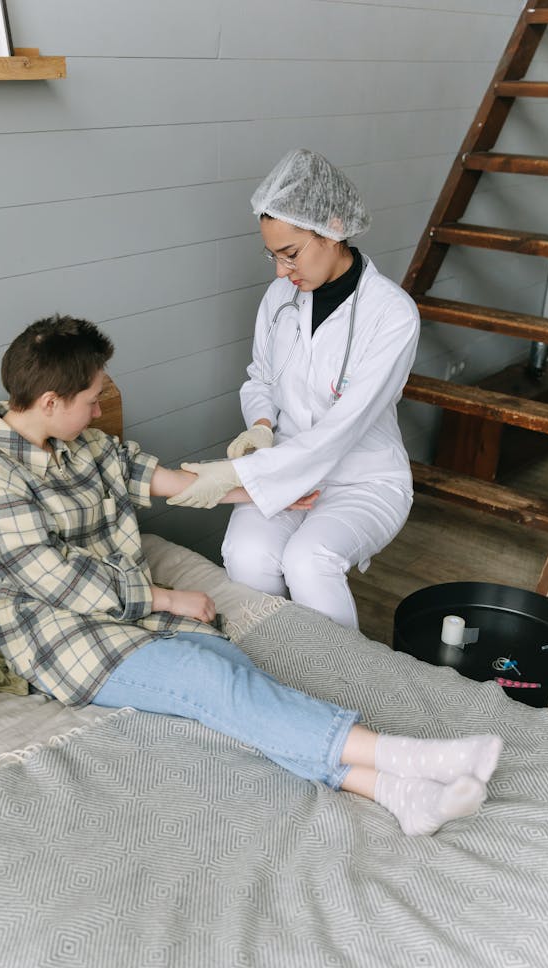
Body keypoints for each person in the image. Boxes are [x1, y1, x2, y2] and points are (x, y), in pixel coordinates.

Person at [0, 314, 502, 837]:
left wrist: (267, 494)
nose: (99, 413)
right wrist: (168, 599)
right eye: (92, 401)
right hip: (62, 635)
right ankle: (408, 756)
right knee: (210, 682)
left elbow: (167, 480)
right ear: (51, 401)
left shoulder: (80, 443)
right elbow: (56, 581)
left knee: (239, 676)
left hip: (127, 615)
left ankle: (393, 793)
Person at [168, 148, 420, 631]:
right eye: (274, 256)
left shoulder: (392, 315)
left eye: (291, 254)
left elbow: (341, 432)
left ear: (334, 227)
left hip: (362, 478)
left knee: (309, 561)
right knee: (245, 555)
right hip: (282, 464)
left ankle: (347, 685)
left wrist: (239, 473)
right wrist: (261, 426)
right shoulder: (280, 297)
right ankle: (279, 668)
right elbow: (260, 377)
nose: (281, 272)